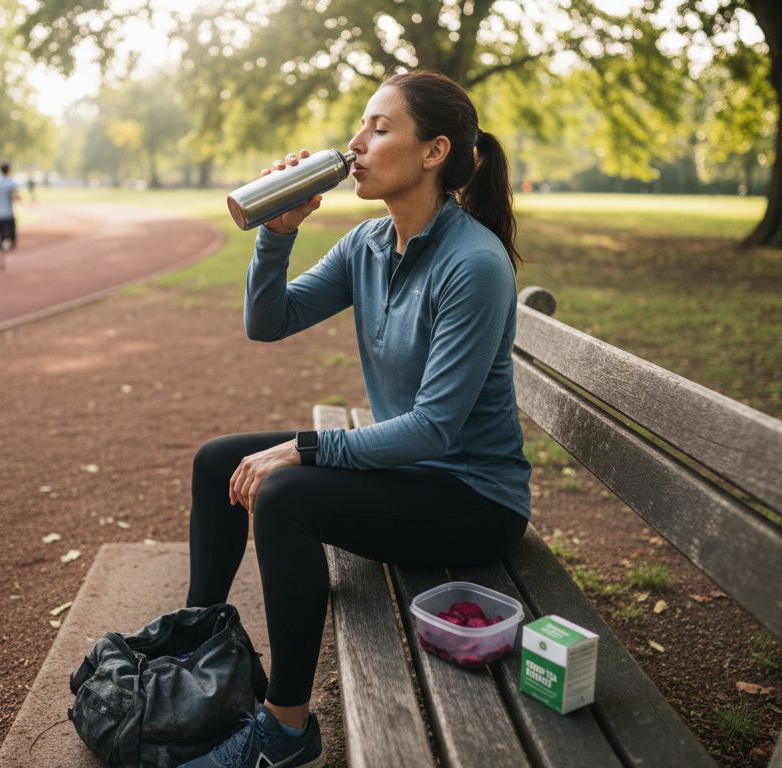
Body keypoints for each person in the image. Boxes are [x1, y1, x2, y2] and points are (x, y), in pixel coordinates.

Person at [180, 70, 530, 768]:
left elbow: (435, 429)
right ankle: (197, 656)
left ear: (434, 152)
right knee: (217, 459)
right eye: (360, 125)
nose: (355, 143)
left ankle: (284, 731)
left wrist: (304, 449)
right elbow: (268, 322)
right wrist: (276, 233)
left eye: (378, 127)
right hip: (410, 474)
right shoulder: (369, 245)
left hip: (472, 498)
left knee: (284, 494)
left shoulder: (474, 264)